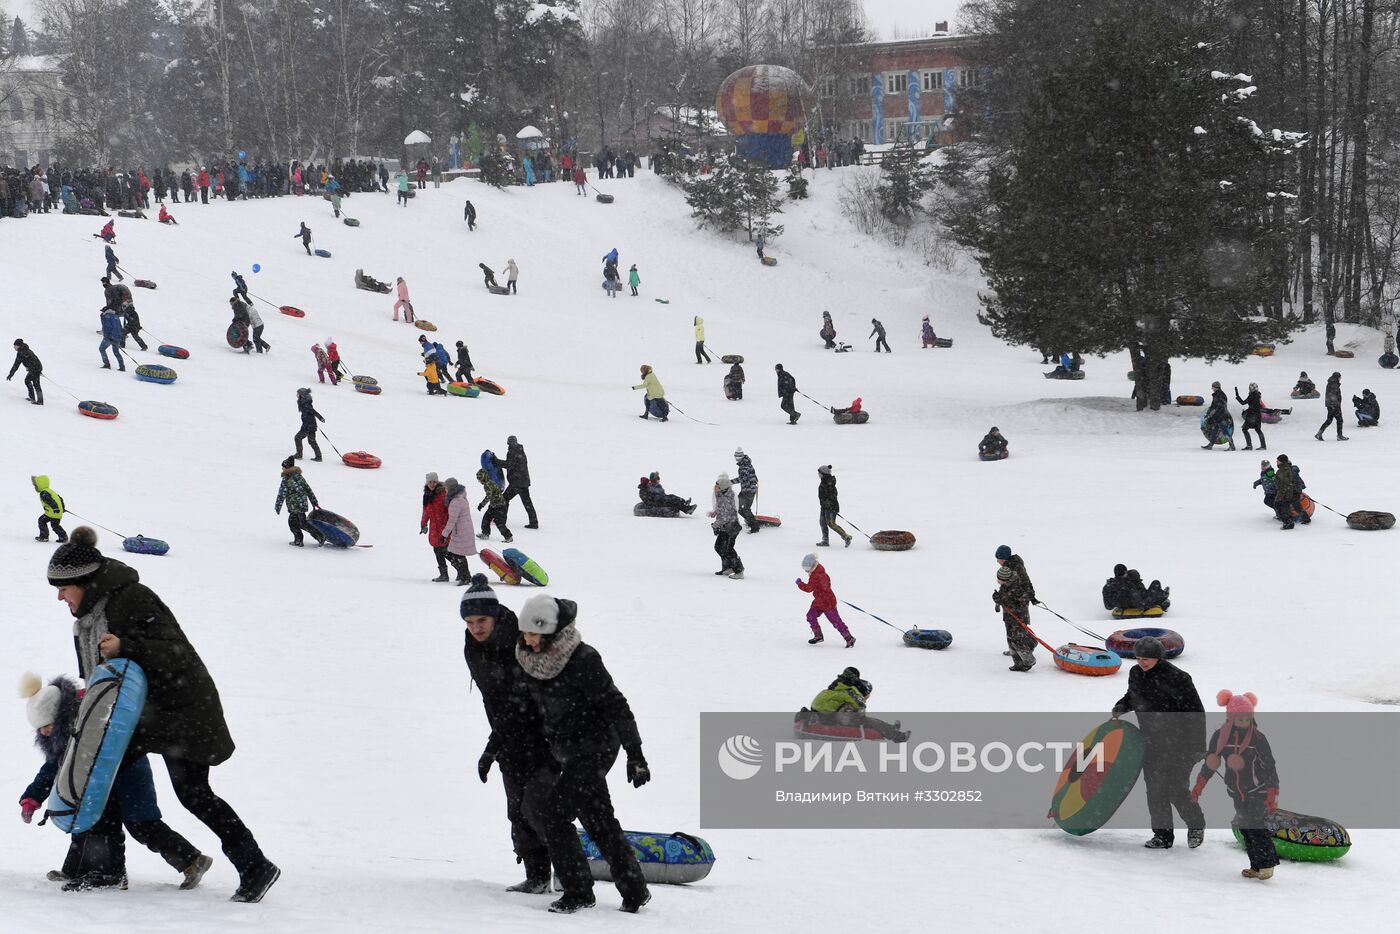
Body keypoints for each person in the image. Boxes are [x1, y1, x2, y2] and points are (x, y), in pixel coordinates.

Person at [46, 528, 280, 901]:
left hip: (182, 711)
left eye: (63, 587)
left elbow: (176, 653)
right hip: (143, 715)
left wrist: (127, 646)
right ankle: (102, 868)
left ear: (85, 582)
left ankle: (255, 866)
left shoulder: (131, 600)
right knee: (102, 775)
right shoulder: (88, 622)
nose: (59, 596)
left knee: (194, 794)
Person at [514, 594, 652, 914]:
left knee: (555, 813)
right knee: (597, 817)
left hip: (597, 746)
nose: (529, 640)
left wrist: (636, 753)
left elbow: (617, 705)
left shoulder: (583, 659)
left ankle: (578, 891)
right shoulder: (531, 658)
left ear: (552, 632)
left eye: (535, 634)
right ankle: (634, 888)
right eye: (525, 633)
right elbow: (530, 709)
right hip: (567, 748)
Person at [18, 670, 213, 891]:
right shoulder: (67, 730)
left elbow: (59, 765)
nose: (44, 732)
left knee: (141, 824)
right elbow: (54, 767)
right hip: (105, 776)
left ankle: (191, 861)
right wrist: (32, 798)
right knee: (88, 816)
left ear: (59, 715)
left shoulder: (85, 720)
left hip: (129, 770)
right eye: (39, 728)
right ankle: (78, 868)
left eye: (47, 724)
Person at [461, 576, 561, 893]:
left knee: (539, 806)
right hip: (507, 735)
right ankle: (537, 875)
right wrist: (497, 745)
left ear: (495, 615)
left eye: (481, 620)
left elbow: (528, 697)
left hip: (543, 735)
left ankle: (569, 871)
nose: (476, 627)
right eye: (469, 621)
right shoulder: (473, 648)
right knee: (517, 810)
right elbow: (495, 700)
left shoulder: (522, 641)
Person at [1111, 635, 1207, 849]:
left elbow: (1195, 713)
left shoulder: (1178, 678)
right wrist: (1121, 706)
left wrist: (1198, 747)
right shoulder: (1135, 673)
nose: (1141, 663)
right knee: (1155, 791)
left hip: (1180, 745)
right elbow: (1132, 696)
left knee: (1176, 789)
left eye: (1147, 659)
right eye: (1138, 658)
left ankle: (1196, 824)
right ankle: (1162, 836)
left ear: (1158, 658)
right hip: (1151, 743)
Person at [1190, 690, 1280, 880]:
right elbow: (1211, 763)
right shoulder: (1221, 736)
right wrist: (1199, 786)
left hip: (1258, 790)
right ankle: (1255, 865)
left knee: (1256, 825)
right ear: (1230, 717)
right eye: (1239, 718)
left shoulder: (1258, 738)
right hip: (1236, 792)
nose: (1244, 722)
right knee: (1245, 826)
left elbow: (1270, 766)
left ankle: (1267, 864)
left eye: (1247, 718)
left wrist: (1272, 794)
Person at [803, 668, 906, 741]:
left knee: (852, 712)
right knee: (866, 721)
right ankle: (895, 735)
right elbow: (861, 712)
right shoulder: (851, 692)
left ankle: (891, 728)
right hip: (828, 718)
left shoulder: (835, 686)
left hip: (819, 713)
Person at [993, 544, 1037, 671]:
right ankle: (1015, 651)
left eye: (998, 558)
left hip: (1016, 608)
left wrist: (1031, 596)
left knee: (1016, 632)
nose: (997, 561)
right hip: (1013, 607)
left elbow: (1024, 584)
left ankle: (1024, 651)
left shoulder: (1015, 569)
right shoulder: (1008, 570)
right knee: (1014, 632)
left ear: (1004, 558)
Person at [797, 554, 854, 646]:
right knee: (810, 616)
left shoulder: (817, 575)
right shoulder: (817, 573)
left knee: (835, 621)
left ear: (812, 566)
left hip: (828, 602)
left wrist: (800, 583)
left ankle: (849, 638)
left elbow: (809, 588)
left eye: (807, 570)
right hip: (819, 602)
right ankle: (818, 635)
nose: (806, 572)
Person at [274, 456, 325, 546]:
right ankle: (317, 536)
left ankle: (305, 539)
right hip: (302, 505)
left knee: (294, 523)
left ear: (287, 467)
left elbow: (281, 494)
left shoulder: (286, 479)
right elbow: (308, 490)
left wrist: (278, 506)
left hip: (294, 506)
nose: (282, 469)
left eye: (283, 467)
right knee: (302, 523)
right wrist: (314, 502)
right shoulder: (299, 477)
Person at [498, 436, 539, 529]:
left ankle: (501, 519)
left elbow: (509, 464)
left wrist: (496, 461)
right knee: (527, 502)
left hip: (516, 483)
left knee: (504, 499)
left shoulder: (512, 452)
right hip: (524, 481)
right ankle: (534, 522)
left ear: (508, 443)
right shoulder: (521, 451)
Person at [420, 473, 454, 581]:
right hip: (434, 528)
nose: (432, 484)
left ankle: (462, 571)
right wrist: (423, 524)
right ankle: (444, 574)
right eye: (430, 482)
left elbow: (451, 510)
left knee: (447, 552)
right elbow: (426, 511)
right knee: (437, 551)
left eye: (434, 482)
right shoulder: (426, 495)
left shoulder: (443, 494)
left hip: (444, 527)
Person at [710, 473, 744, 579]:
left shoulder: (727, 498)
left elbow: (726, 516)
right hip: (725, 527)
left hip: (732, 527)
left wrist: (715, 524)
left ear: (722, 488)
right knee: (719, 547)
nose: (714, 487)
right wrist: (715, 512)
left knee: (729, 549)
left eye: (717, 486)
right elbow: (721, 511)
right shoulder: (720, 494)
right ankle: (728, 567)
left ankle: (739, 571)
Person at [442, 478, 476, 583]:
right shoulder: (461, 497)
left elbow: (452, 521)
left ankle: (465, 577)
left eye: (446, 488)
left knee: (458, 555)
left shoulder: (456, 501)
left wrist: (444, 534)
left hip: (461, 532)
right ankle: (464, 575)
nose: (445, 490)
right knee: (458, 554)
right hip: (464, 530)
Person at [816, 465, 852, 547]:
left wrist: (829, 504)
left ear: (824, 474)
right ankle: (825, 540)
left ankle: (846, 537)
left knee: (831, 524)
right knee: (822, 523)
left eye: (819, 473)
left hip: (831, 507)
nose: (818, 475)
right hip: (824, 507)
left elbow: (833, 495)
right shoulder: (824, 481)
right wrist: (824, 504)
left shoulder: (829, 483)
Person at [477, 467, 513, 543]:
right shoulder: (490, 482)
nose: (479, 481)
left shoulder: (487, 485)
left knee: (499, 522)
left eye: (479, 479)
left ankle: (508, 537)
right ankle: (485, 534)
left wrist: (481, 504)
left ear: (483, 478)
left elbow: (488, 496)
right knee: (486, 519)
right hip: (494, 505)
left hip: (498, 506)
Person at [32, 474, 68, 543]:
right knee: (55, 525)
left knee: (41, 521)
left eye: (37, 484)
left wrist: (55, 508)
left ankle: (44, 537)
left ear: (39, 484)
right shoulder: (50, 491)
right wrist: (62, 508)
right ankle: (63, 537)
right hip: (57, 513)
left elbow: (50, 501)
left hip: (52, 512)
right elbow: (60, 499)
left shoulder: (44, 493)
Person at [8, 338, 43, 405]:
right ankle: (32, 397)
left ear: (19, 346)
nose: (14, 348)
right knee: (28, 381)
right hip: (34, 368)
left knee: (36, 384)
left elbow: (16, 365)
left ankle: (40, 401)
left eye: (15, 346)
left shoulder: (22, 353)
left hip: (35, 369)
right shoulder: (25, 350)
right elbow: (32, 360)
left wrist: (11, 374)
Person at [1202, 381, 1235, 451]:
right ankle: (1210, 445)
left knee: (1224, 431)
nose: (1212, 389)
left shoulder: (1219, 395)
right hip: (1218, 416)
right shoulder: (1217, 394)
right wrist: (1209, 412)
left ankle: (1232, 446)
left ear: (1216, 387)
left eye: (1213, 387)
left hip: (1221, 416)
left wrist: (1211, 414)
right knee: (1214, 430)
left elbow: (1218, 406)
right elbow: (1213, 406)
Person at [293, 387, 324, 461]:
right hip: (310, 425)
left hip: (308, 426)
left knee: (297, 438)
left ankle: (299, 454)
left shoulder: (305, 403)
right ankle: (318, 456)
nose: (297, 395)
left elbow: (313, 411)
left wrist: (320, 417)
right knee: (312, 441)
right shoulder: (305, 402)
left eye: (298, 394)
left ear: (302, 395)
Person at [1315, 372, 1347, 441]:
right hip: (1334, 405)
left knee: (1329, 420)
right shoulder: (1334, 384)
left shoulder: (1331, 383)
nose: (1340, 379)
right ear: (1337, 377)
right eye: (1340, 377)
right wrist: (1335, 405)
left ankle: (1319, 434)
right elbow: (1332, 395)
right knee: (1339, 420)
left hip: (1331, 405)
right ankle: (1339, 435)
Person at [734, 448, 759, 533]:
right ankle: (750, 521)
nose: (737, 459)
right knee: (737, 506)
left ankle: (755, 527)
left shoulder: (744, 465)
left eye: (738, 457)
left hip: (749, 491)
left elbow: (741, 479)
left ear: (742, 456)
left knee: (746, 509)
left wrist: (728, 482)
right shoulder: (744, 463)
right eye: (735, 457)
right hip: (745, 490)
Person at [1235, 383, 1265, 450]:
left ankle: (1249, 446)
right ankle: (1263, 445)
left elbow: (1243, 403)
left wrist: (1237, 395)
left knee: (1244, 429)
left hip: (1252, 416)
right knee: (1258, 430)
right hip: (1257, 415)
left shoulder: (1252, 395)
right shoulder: (1257, 395)